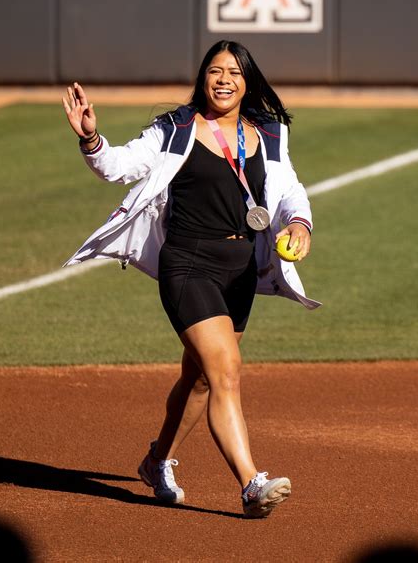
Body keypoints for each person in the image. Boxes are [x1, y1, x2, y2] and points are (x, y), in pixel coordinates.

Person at [62, 39, 320, 518]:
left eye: (234, 73)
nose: (224, 79)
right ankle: (251, 484)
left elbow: (289, 191)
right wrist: (91, 140)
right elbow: (118, 167)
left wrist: (300, 223)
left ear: (247, 83)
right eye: (215, 71)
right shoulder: (175, 129)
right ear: (203, 79)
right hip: (187, 264)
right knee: (225, 370)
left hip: (239, 268)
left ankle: (156, 461)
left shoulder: (268, 132)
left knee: (201, 378)